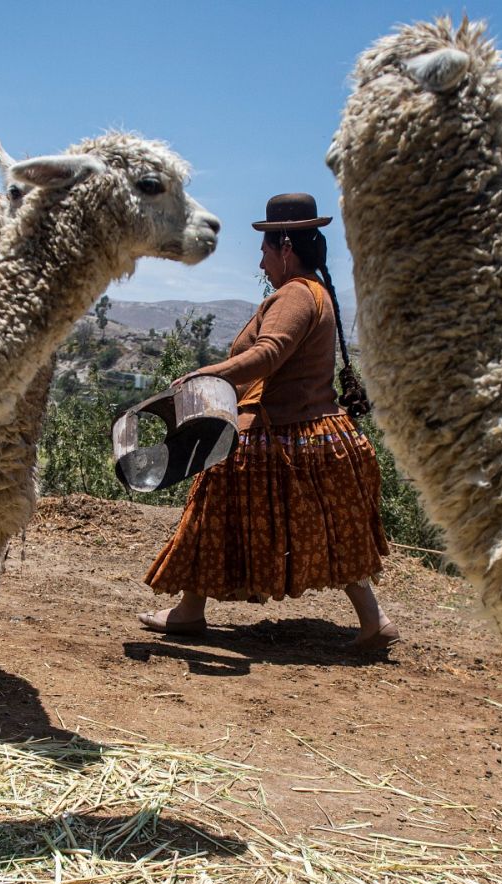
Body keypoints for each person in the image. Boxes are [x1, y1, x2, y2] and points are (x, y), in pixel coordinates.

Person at [137, 192, 399, 653]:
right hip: (319, 434)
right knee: (333, 529)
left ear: (284, 248)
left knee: (208, 507)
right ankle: (373, 619)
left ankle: (188, 612)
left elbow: (268, 354)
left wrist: (202, 375)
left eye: (263, 251)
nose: (260, 263)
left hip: (281, 436)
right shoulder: (314, 292)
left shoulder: (296, 294)